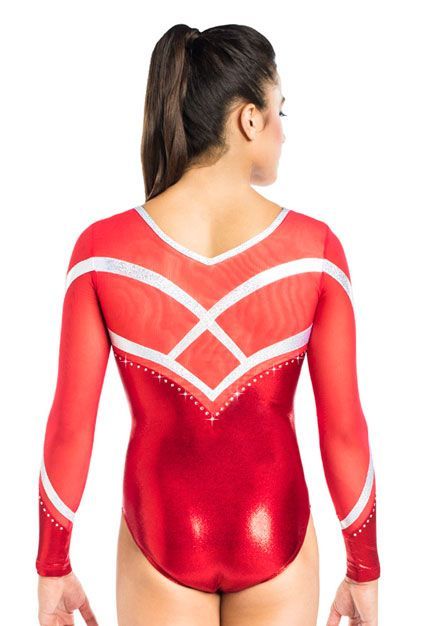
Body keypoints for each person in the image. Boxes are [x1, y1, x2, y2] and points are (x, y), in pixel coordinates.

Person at [36, 23, 381, 626]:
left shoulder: (101, 252)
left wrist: (52, 563)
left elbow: (70, 427)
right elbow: (344, 432)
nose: (283, 131)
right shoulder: (315, 252)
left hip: (159, 534)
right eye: (279, 111)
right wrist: (364, 568)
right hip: (277, 533)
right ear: (249, 120)